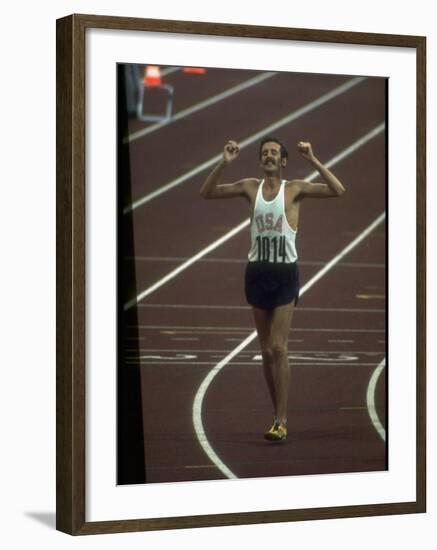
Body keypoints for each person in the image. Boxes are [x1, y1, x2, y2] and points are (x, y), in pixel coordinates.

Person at [200, 137, 345, 441]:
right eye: (264, 152)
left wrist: (314, 160)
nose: (268, 156)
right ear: (260, 160)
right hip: (257, 272)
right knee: (266, 352)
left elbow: (337, 190)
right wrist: (223, 164)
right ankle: (275, 415)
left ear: (283, 161)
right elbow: (207, 192)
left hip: (284, 274)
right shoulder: (250, 187)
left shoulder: (294, 189)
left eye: (274, 153)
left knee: (279, 347)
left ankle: (282, 419)